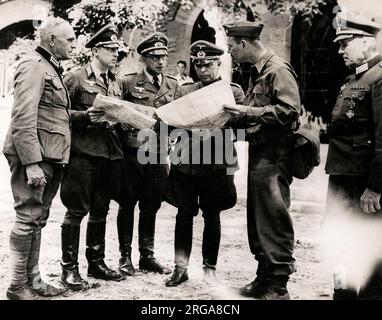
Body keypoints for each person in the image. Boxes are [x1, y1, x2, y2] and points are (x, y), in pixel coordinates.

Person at [223, 21, 301, 300]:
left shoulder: (277, 69)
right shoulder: (257, 72)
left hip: (276, 156)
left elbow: (290, 110)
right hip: (260, 154)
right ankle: (264, 277)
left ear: (244, 43)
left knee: (274, 219)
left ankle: (279, 286)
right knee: (258, 219)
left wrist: (245, 112)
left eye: (231, 45)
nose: (229, 51)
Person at [2, 17, 76, 300]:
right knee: (27, 217)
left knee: (37, 219)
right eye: (69, 39)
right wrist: (31, 162)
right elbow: (22, 117)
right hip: (36, 157)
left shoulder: (50, 67)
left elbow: (53, 115)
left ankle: (33, 281)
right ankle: (17, 287)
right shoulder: (34, 65)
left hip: (50, 156)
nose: (73, 44)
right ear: (52, 41)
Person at [164, 41, 245, 287]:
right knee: (183, 215)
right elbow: (173, 124)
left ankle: (210, 267)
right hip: (187, 161)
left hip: (217, 161)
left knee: (213, 215)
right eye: (198, 65)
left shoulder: (233, 91)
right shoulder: (185, 90)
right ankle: (180, 268)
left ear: (218, 63)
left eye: (208, 64)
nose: (202, 69)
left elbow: (241, 126)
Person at [60, 24, 125, 291]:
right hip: (83, 154)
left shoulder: (116, 81)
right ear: (95, 51)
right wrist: (85, 116)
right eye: (110, 49)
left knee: (101, 209)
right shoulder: (74, 79)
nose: (115, 54)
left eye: (117, 50)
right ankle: (69, 269)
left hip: (109, 154)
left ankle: (95, 262)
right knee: (76, 210)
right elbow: (59, 114)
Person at [323, 13, 382, 300]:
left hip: (363, 185)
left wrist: (375, 187)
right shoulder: (351, 80)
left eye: (345, 43)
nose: (340, 50)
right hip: (342, 180)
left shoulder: (379, 78)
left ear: (367, 42)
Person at [117, 32, 179, 275]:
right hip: (133, 152)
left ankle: (147, 255)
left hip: (158, 152)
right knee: (127, 203)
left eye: (164, 57)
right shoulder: (128, 82)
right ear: (143, 59)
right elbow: (119, 115)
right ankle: (124, 256)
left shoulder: (173, 85)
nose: (161, 61)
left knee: (151, 205)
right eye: (155, 57)